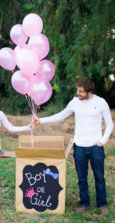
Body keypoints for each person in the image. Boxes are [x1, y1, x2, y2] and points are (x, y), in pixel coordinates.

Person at [33, 77, 113, 216]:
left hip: (96, 147)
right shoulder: (75, 102)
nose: (78, 93)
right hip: (79, 147)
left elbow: (110, 124)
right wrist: (40, 120)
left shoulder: (101, 103)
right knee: (82, 178)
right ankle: (84, 203)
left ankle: (102, 204)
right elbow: (60, 116)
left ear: (89, 91)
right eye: (77, 90)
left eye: (81, 91)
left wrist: (102, 141)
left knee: (99, 177)